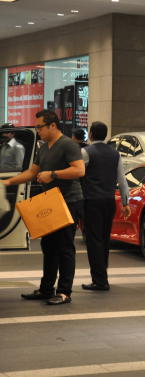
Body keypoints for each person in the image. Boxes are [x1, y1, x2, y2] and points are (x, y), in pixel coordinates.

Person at [2, 110, 84, 305]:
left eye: (40, 126)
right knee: (49, 246)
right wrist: (9, 182)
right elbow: (32, 172)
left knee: (65, 247)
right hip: (51, 201)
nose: (37, 130)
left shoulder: (68, 144)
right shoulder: (44, 147)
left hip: (68, 201)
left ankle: (64, 292)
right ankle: (47, 289)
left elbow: (79, 170)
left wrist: (53, 174)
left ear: (52, 125)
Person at [81, 121, 130, 291]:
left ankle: (99, 280)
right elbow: (122, 181)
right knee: (104, 240)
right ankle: (102, 277)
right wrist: (126, 203)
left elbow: (78, 173)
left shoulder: (86, 152)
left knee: (94, 241)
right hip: (109, 202)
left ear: (91, 134)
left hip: (92, 201)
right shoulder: (115, 154)